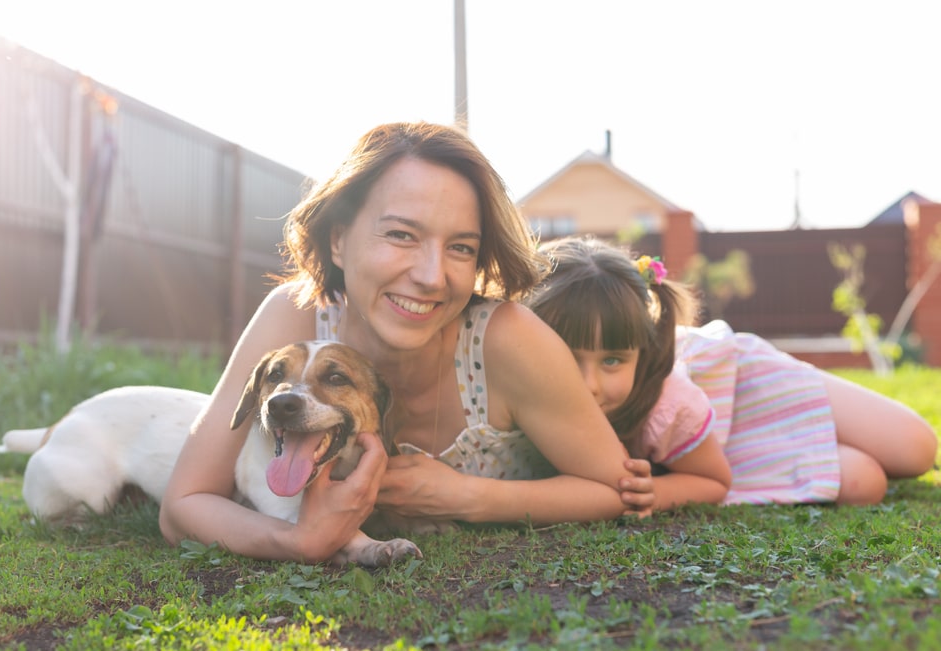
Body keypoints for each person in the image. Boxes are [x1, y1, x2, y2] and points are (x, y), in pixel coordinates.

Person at [159, 122, 650, 563]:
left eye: (461, 247)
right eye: (401, 235)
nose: (432, 276)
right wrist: (299, 542)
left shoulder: (508, 339)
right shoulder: (297, 317)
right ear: (337, 239)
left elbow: (612, 489)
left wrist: (469, 497)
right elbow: (183, 504)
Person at [525, 235, 938, 511]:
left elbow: (712, 481)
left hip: (744, 383)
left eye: (611, 360)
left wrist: (660, 493)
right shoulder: (516, 382)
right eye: (568, 358)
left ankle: (809, 423)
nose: (589, 385)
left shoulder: (669, 402)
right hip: (724, 448)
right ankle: (810, 447)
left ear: (642, 352)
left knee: (917, 448)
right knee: (864, 483)